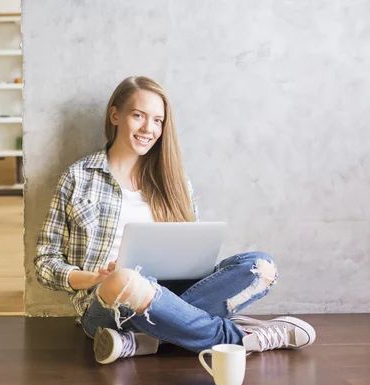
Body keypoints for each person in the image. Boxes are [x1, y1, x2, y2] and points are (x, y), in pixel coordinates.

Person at [34, 76, 316, 365]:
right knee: (126, 278)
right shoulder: (79, 177)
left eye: (158, 120)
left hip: (175, 295)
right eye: (138, 116)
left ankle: (143, 341)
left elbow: (191, 254)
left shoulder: (176, 182)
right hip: (105, 303)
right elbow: (45, 263)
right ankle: (239, 338)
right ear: (116, 115)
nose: (148, 128)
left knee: (261, 267)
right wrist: (94, 277)